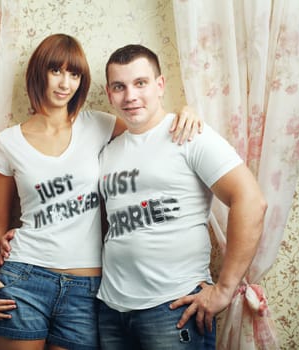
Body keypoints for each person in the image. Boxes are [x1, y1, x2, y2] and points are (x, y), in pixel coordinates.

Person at [0, 34, 202, 350]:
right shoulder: (7, 142)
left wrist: (186, 113)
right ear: (39, 72)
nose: (64, 83)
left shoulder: (99, 124)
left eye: (74, 74)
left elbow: (151, 128)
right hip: (24, 278)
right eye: (56, 71)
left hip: (87, 287)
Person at [94, 45, 267, 349]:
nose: (130, 96)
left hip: (172, 308)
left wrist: (224, 289)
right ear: (109, 93)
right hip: (112, 309)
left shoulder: (189, 135)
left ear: (160, 85)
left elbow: (251, 201)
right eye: (119, 87)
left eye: (140, 83)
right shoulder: (108, 150)